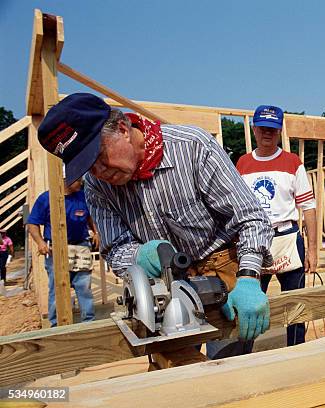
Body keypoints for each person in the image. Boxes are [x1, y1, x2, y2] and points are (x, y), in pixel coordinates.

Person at [36, 93, 274, 358]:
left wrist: (249, 278)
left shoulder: (192, 147)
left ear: (124, 129)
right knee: (173, 371)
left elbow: (251, 217)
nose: (100, 172)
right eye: (89, 167)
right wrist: (140, 255)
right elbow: (114, 248)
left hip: (222, 270)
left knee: (229, 367)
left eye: (100, 156)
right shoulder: (97, 185)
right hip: (163, 284)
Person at [236, 105, 317, 346]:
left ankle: (296, 352)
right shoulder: (242, 164)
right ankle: (243, 354)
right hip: (255, 241)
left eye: (272, 128)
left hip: (288, 238)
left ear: (280, 130)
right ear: (254, 129)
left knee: (295, 304)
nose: (267, 133)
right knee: (247, 301)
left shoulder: (293, 163)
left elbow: (308, 207)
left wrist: (312, 250)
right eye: (262, 128)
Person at [26, 178, 97, 326]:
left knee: (83, 285)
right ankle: (56, 325)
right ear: (67, 180)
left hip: (80, 246)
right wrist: (40, 242)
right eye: (78, 180)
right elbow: (32, 223)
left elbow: (90, 217)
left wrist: (96, 232)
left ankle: (89, 323)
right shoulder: (46, 198)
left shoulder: (82, 196)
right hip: (55, 249)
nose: (81, 182)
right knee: (57, 287)